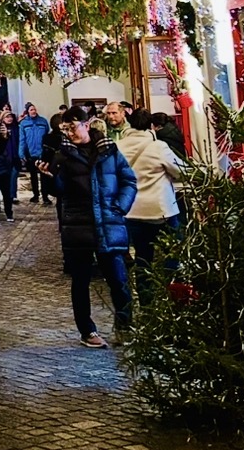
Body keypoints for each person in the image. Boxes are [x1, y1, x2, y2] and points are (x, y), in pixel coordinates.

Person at [38, 107, 137, 346]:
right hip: (78, 226)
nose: (70, 133)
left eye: (73, 127)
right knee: (80, 282)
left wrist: (120, 206)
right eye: (65, 129)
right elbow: (59, 190)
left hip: (108, 222)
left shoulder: (108, 149)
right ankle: (87, 330)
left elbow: (129, 179)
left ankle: (125, 326)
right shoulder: (63, 155)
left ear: (86, 124)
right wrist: (49, 178)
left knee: (118, 280)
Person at [118, 107, 184, 305]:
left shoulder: (118, 146)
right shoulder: (158, 147)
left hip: (132, 210)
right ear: (151, 126)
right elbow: (180, 170)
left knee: (142, 257)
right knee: (173, 249)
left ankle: (146, 301)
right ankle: (170, 292)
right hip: (161, 210)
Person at [18, 103, 50, 203]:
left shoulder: (43, 121)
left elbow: (47, 136)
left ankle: (45, 196)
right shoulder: (24, 123)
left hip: (42, 153)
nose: (33, 111)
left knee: (44, 176)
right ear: (27, 111)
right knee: (33, 176)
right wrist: (21, 153)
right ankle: (35, 195)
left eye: (34, 109)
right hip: (30, 153)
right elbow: (22, 139)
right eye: (31, 110)